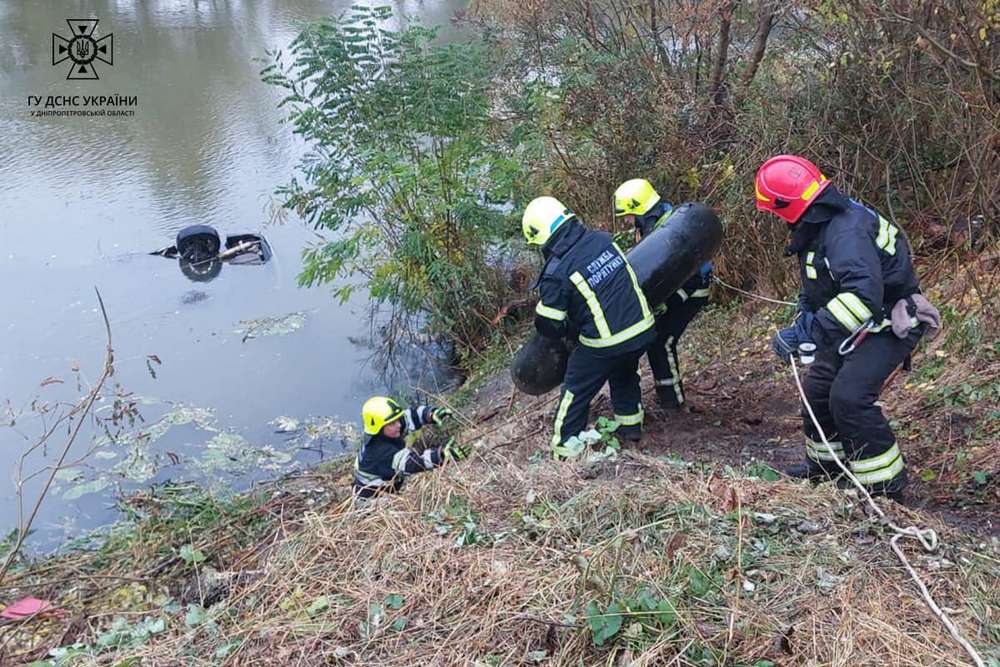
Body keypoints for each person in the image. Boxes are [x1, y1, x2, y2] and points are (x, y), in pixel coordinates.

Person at [755, 154, 935, 497]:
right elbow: (826, 279)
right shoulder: (818, 222)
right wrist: (807, 309)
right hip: (853, 325)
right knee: (818, 392)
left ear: (785, 205)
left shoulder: (845, 231)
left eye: (774, 211)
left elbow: (861, 296)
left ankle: (884, 487)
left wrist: (807, 333)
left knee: (849, 398)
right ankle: (827, 468)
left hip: (887, 322)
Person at [523, 195, 656, 458]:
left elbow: (550, 326)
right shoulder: (602, 239)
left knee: (576, 387)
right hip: (642, 327)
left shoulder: (556, 272)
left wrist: (554, 322)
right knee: (624, 373)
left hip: (608, 341)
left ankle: (563, 446)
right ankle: (631, 428)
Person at [613, 178, 712, 409]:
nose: (627, 221)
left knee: (663, 341)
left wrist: (662, 306)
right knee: (656, 340)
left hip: (691, 289)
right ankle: (669, 397)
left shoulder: (666, 230)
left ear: (639, 208)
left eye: (628, 215)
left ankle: (673, 403)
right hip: (680, 288)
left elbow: (686, 274)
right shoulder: (661, 222)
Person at [352, 396, 467, 499]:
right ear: (379, 427)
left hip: (387, 485)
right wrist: (440, 455)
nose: (399, 425)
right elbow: (413, 463)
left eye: (397, 419)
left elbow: (409, 416)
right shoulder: (380, 452)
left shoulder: (387, 430)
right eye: (392, 423)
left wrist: (430, 414)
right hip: (373, 501)